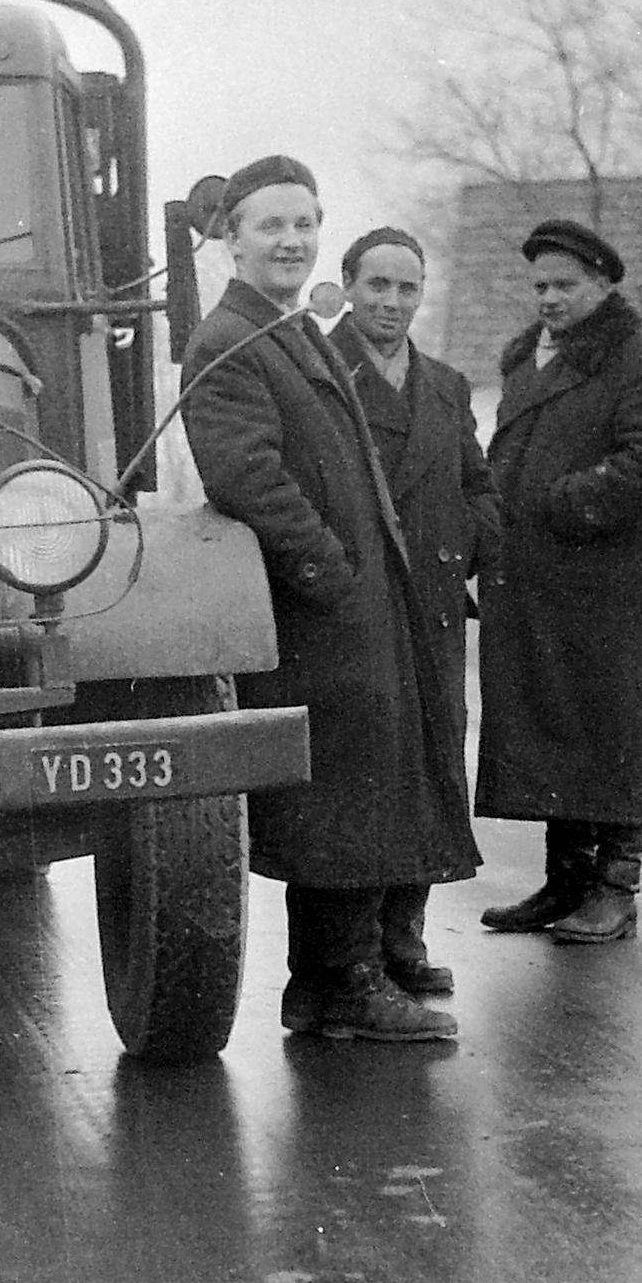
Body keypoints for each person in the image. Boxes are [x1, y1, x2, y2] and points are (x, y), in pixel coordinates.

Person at [181, 159, 480, 1043]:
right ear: (231, 238)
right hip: (316, 605)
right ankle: (347, 978)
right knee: (344, 788)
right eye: (271, 226)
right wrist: (331, 570)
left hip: (343, 601)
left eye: (305, 224)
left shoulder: (285, 329)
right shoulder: (230, 339)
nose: (292, 241)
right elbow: (246, 474)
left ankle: (318, 986)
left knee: (349, 780)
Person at [476, 217, 642, 945]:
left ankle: (616, 886)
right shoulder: (526, 362)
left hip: (602, 583)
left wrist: (562, 501)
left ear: (603, 285)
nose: (548, 298)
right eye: (539, 285)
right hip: (531, 580)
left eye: (564, 285)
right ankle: (567, 880)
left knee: (613, 725)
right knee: (551, 724)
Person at [325, 226, 500, 996]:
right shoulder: (322, 374)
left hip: (430, 608)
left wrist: (466, 545)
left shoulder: (447, 384)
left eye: (407, 287)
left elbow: (476, 482)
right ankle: (354, 953)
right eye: (377, 286)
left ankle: (405, 940)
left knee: (431, 768)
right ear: (349, 285)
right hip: (358, 609)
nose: (392, 303)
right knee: (366, 777)